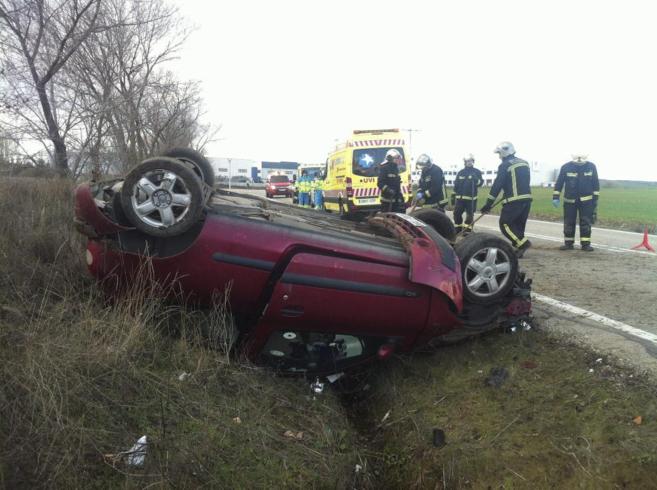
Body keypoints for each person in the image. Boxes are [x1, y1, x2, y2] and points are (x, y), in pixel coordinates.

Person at [480, 142, 532, 257]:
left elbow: (497, 185)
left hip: (514, 201)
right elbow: (520, 181)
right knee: (518, 225)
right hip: (527, 198)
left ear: (504, 152)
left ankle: (523, 244)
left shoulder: (505, 165)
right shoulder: (524, 163)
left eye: (499, 153)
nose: (499, 156)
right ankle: (519, 248)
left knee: (505, 224)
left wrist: (488, 204)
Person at [552, 154, 600, 251]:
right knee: (569, 222)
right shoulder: (566, 167)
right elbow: (559, 183)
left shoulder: (591, 166)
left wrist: (595, 199)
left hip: (587, 201)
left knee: (586, 222)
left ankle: (585, 244)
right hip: (570, 201)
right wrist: (555, 196)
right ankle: (568, 243)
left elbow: (595, 183)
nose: (579, 163)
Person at [451, 154, 483, 232]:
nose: (469, 162)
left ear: (473, 162)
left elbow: (480, 183)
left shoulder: (477, 172)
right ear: (465, 162)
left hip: (471, 199)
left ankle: (467, 231)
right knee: (456, 214)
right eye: (468, 161)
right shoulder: (460, 172)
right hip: (459, 199)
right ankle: (458, 228)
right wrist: (453, 195)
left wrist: (476, 179)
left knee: (469, 216)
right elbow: (456, 184)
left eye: (471, 161)